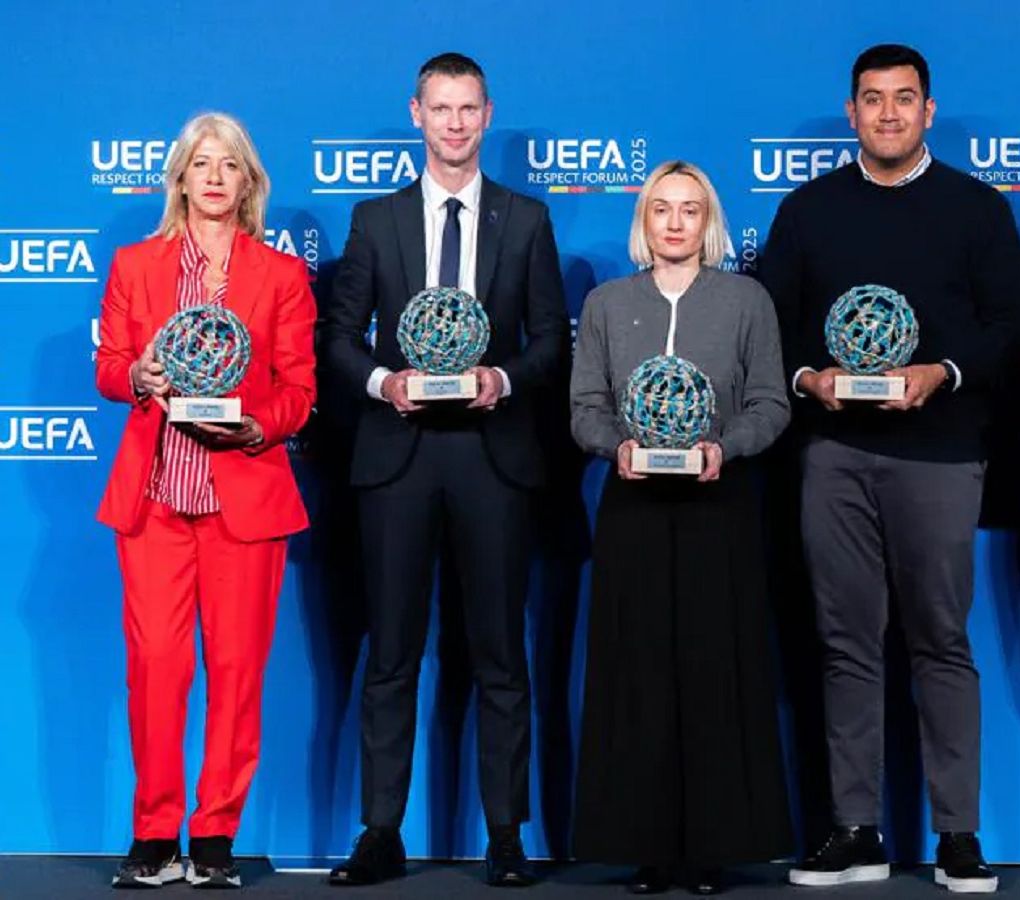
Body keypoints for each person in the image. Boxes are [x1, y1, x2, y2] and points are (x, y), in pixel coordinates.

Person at [759, 43, 1020, 894]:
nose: (887, 113)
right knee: (844, 645)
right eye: (872, 99)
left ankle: (958, 834)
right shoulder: (808, 210)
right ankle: (855, 828)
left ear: (928, 110)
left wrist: (941, 372)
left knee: (941, 641)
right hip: (834, 454)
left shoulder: (976, 208)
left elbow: (1010, 326)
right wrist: (810, 378)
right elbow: (772, 327)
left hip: (942, 453)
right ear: (851, 113)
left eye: (903, 99)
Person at [321, 51, 568, 888]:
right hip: (398, 453)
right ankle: (380, 832)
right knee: (391, 653)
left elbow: (551, 341)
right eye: (441, 108)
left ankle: (506, 835)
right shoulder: (375, 219)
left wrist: (503, 379)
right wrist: (383, 382)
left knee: (500, 654)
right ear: (416, 114)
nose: (455, 123)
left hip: (492, 455)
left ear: (487, 115)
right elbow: (339, 339)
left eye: (468, 108)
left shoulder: (526, 219)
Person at [94, 112, 316, 890]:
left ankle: (216, 835)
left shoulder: (280, 276)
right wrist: (137, 376)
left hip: (244, 504)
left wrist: (257, 427)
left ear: (248, 181)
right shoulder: (135, 265)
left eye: (229, 165)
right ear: (180, 179)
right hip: (156, 502)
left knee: (236, 670)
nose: (215, 177)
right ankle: (155, 834)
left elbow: (299, 391)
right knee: (156, 669)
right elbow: (110, 366)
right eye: (201, 164)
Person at [569, 160, 793, 895]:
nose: (674, 222)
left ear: (708, 222)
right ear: (643, 220)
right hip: (633, 507)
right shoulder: (606, 304)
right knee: (636, 674)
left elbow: (770, 403)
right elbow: (585, 407)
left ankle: (712, 850)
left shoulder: (746, 301)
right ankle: (646, 849)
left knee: (713, 669)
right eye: (661, 208)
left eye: (689, 209)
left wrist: (723, 448)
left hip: (718, 507)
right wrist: (617, 447)